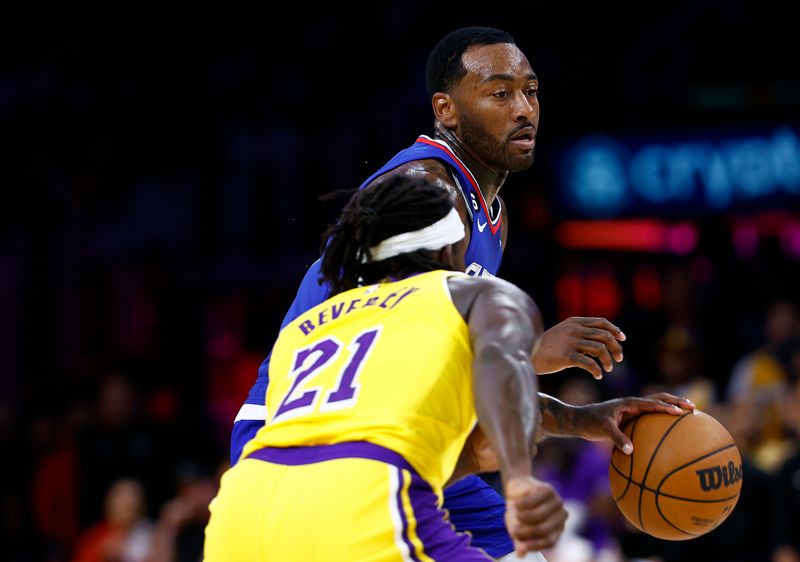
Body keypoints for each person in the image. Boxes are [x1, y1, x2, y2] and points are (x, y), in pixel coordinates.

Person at [230, 25, 693, 559]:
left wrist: (583, 419)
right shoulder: (424, 192)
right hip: (308, 439)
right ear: (446, 109)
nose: (524, 109)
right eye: (500, 93)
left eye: (532, 90)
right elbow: (388, 341)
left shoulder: (485, 210)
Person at [206, 176, 689, 561]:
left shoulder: (306, 327)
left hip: (241, 512)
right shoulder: (462, 294)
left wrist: (581, 420)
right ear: (448, 252)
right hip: (359, 501)